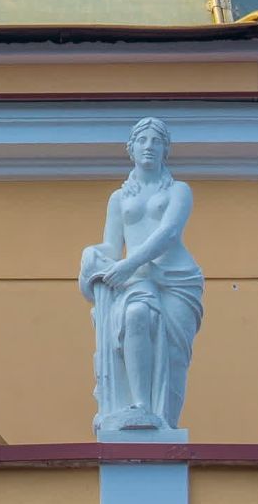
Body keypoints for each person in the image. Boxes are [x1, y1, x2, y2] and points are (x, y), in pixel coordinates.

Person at [80, 118, 204, 435]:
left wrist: (127, 265)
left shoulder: (179, 191)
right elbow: (112, 245)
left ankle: (166, 423)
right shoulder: (119, 198)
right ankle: (140, 407)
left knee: (173, 356)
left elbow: (169, 232)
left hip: (178, 280)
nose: (149, 146)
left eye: (156, 141)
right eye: (142, 140)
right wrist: (91, 255)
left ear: (166, 149)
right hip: (138, 279)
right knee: (134, 315)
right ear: (131, 148)